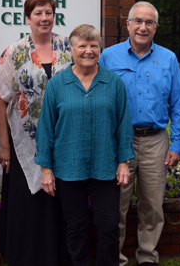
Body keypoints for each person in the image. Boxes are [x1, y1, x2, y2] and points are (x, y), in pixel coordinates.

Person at [35, 24, 135, 266]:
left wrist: (123, 162)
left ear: (100, 49)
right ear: (71, 49)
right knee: (75, 227)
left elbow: (123, 124)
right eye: (82, 46)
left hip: (105, 166)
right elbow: (46, 128)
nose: (88, 51)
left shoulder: (113, 83)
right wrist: (46, 169)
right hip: (69, 167)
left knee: (109, 226)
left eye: (94, 46)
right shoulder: (58, 85)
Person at [99, 1, 180, 266]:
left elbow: (179, 103)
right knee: (117, 205)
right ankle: (115, 259)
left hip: (156, 141)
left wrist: (177, 142)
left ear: (156, 27)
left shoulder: (168, 58)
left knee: (152, 205)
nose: (143, 27)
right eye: (138, 21)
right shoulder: (109, 57)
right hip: (119, 142)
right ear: (127, 24)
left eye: (149, 22)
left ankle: (147, 257)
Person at [0, 0, 72, 265]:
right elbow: (1, 99)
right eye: (38, 13)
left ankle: (57, 258)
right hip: (24, 141)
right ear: (28, 18)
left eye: (48, 12)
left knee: (59, 203)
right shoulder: (15, 51)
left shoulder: (68, 47)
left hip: (64, 142)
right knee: (28, 206)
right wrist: (3, 145)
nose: (44, 18)